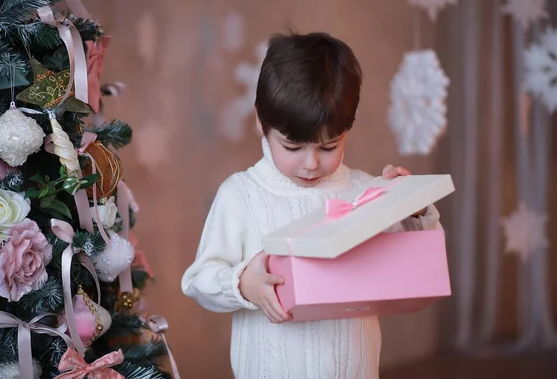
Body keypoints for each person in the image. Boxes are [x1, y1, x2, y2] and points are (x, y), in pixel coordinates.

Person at [181, 30, 441, 379]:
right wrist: (243, 284)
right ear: (261, 121)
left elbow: (412, 264)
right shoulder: (241, 195)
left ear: (348, 128)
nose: (311, 163)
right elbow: (198, 280)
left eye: (329, 147)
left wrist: (409, 207)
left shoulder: (363, 191)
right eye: (293, 147)